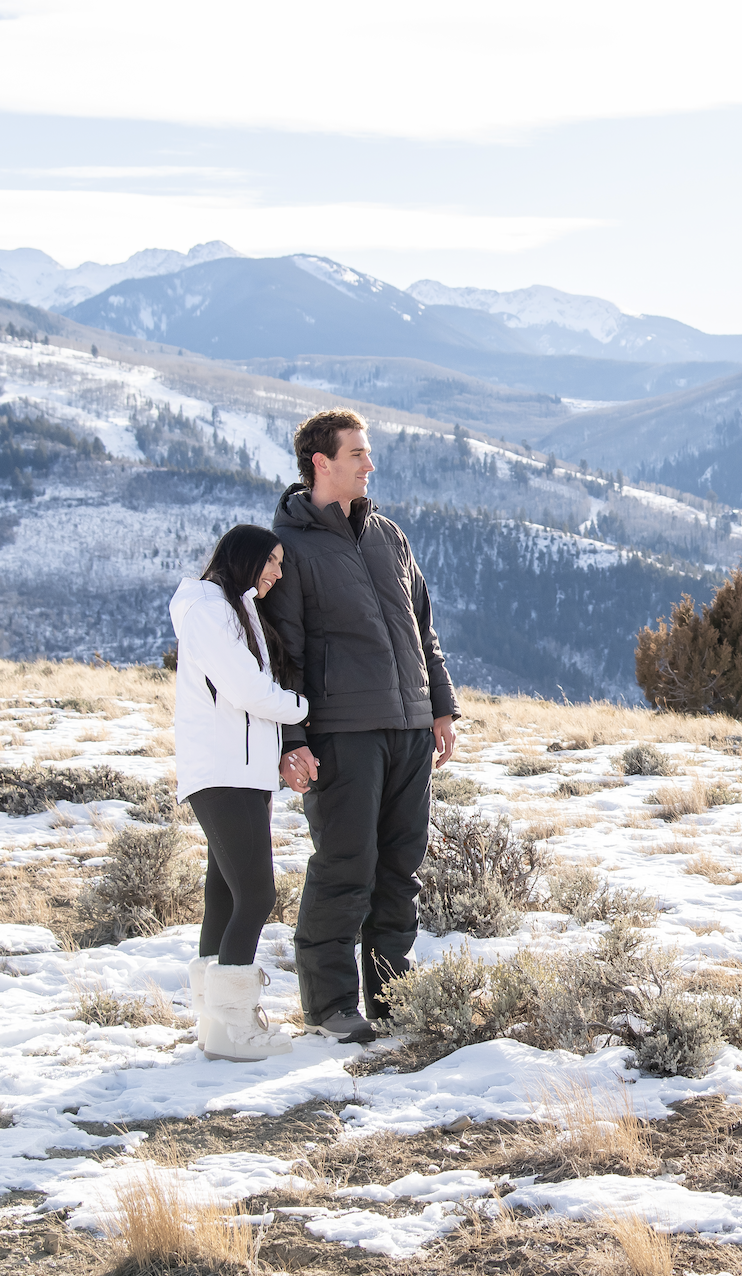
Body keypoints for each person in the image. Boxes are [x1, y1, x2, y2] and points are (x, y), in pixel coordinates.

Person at [260, 408, 459, 1043]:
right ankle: (330, 1007)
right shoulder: (289, 548)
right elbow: (284, 653)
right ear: (321, 463)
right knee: (346, 866)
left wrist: (440, 707)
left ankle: (393, 999)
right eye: (357, 454)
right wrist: (292, 740)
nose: (370, 464)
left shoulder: (388, 535)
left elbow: (422, 627)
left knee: (400, 869)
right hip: (342, 733)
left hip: (409, 727)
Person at [169, 524, 310, 1062]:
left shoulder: (233, 607)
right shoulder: (211, 611)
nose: (277, 572)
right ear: (243, 558)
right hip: (223, 770)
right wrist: (303, 708)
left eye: (281, 563)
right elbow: (246, 689)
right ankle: (234, 1025)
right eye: (270, 561)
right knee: (256, 894)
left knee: (227, 895)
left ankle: (216, 1024)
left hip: (240, 770)